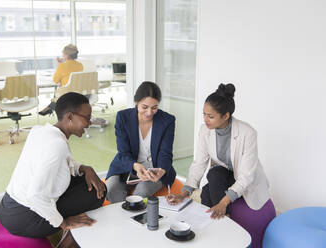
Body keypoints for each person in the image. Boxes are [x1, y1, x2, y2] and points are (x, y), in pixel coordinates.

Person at [167, 83, 275, 248]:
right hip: (223, 176)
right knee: (213, 177)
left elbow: (246, 176)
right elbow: (199, 163)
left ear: (226, 116)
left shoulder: (248, 133)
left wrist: (224, 202)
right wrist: (184, 193)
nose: (205, 119)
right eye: (204, 114)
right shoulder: (205, 130)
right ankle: (214, 231)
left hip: (245, 180)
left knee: (208, 194)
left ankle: (225, 225)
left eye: (210, 116)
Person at [0, 92, 106, 248]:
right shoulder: (57, 145)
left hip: (7, 208)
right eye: (87, 118)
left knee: (87, 182)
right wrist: (63, 222)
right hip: (24, 218)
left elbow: (62, 163)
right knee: (97, 193)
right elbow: (36, 196)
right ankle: (66, 244)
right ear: (70, 117)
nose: (89, 123)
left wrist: (85, 168)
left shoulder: (41, 131)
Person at [106, 81, 176, 203]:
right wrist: (136, 166)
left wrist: (161, 171)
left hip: (153, 170)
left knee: (140, 195)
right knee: (112, 192)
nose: (149, 113)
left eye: (154, 108)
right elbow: (123, 152)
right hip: (127, 166)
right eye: (145, 107)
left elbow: (165, 153)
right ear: (136, 102)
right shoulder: (123, 117)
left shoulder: (167, 120)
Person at [39, 44, 83, 116]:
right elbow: (69, 72)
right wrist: (61, 65)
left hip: (67, 94)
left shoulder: (62, 66)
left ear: (67, 55)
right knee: (59, 92)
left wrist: (60, 65)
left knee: (58, 92)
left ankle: (50, 107)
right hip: (78, 93)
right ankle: (50, 108)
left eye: (63, 54)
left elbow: (55, 80)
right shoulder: (80, 65)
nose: (62, 55)